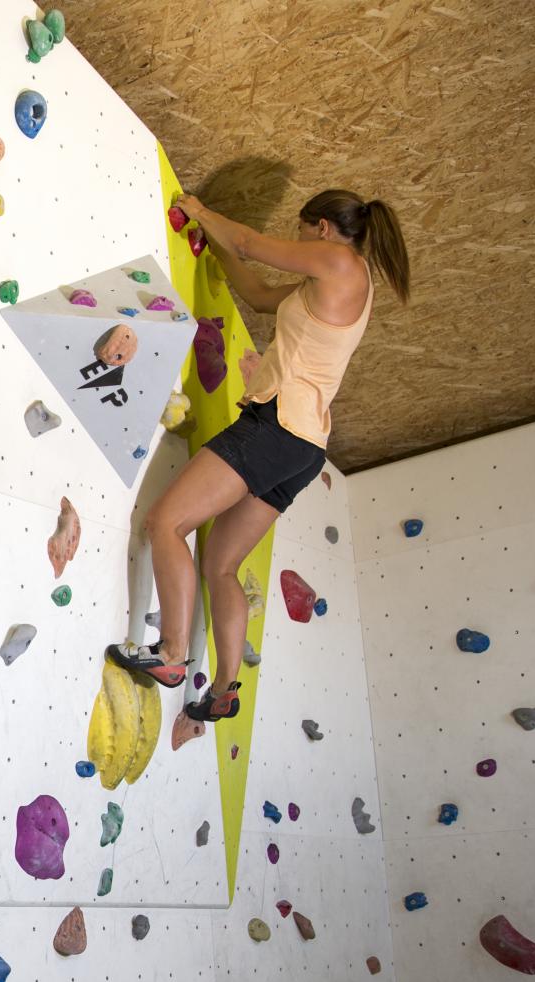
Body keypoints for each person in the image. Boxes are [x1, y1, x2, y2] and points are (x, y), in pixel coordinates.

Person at [108, 189, 410, 720]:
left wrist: (200, 210)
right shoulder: (341, 286)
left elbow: (248, 241)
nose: (298, 242)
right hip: (305, 448)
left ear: (320, 228)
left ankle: (172, 655)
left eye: (301, 232)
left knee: (166, 523)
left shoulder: (338, 259)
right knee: (221, 565)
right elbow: (257, 293)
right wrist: (214, 248)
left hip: (276, 426)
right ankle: (224, 690)